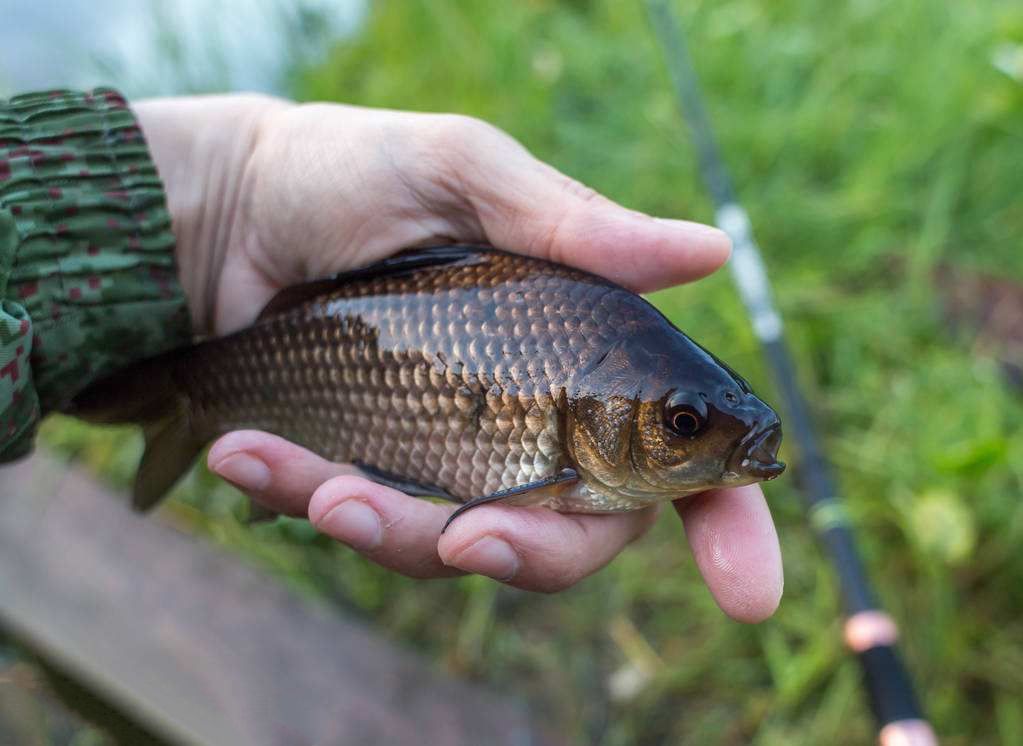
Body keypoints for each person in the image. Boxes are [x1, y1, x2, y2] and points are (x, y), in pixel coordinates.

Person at [0, 88, 782, 617]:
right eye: (682, 422)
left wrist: (231, 177)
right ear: (592, 421)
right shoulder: (596, 354)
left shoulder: (608, 343)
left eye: (686, 421)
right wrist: (232, 177)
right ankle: (179, 400)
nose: (697, 432)